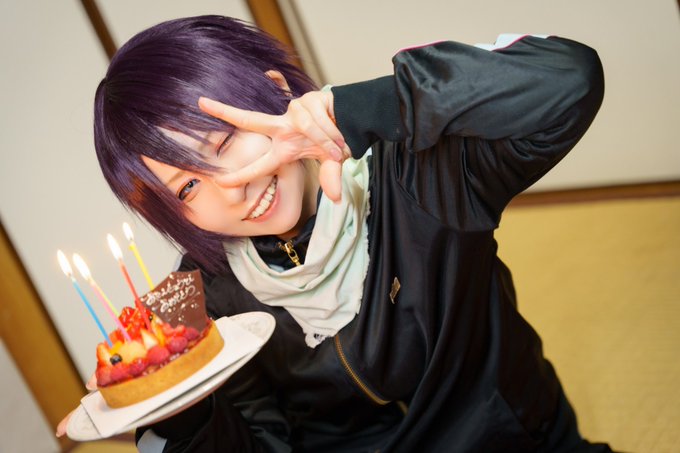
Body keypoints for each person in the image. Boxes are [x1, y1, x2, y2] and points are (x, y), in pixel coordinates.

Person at [60, 15, 612, 452]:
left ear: (276, 92)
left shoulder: (414, 173)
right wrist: (187, 415)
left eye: (224, 142)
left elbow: (569, 79)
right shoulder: (200, 303)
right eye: (187, 188)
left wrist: (359, 109)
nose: (231, 189)